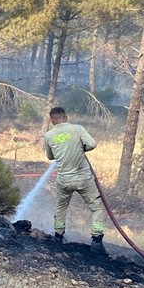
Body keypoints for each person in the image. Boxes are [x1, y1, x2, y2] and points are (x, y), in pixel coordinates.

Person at [44, 106, 105, 254]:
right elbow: (92, 144)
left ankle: (58, 236)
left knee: (61, 207)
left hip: (64, 180)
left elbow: (50, 157)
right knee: (96, 207)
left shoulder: (49, 135)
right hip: (83, 178)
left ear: (52, 121)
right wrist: (80, 148)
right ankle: (96, 241)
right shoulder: (77, 129)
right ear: (66, 117)